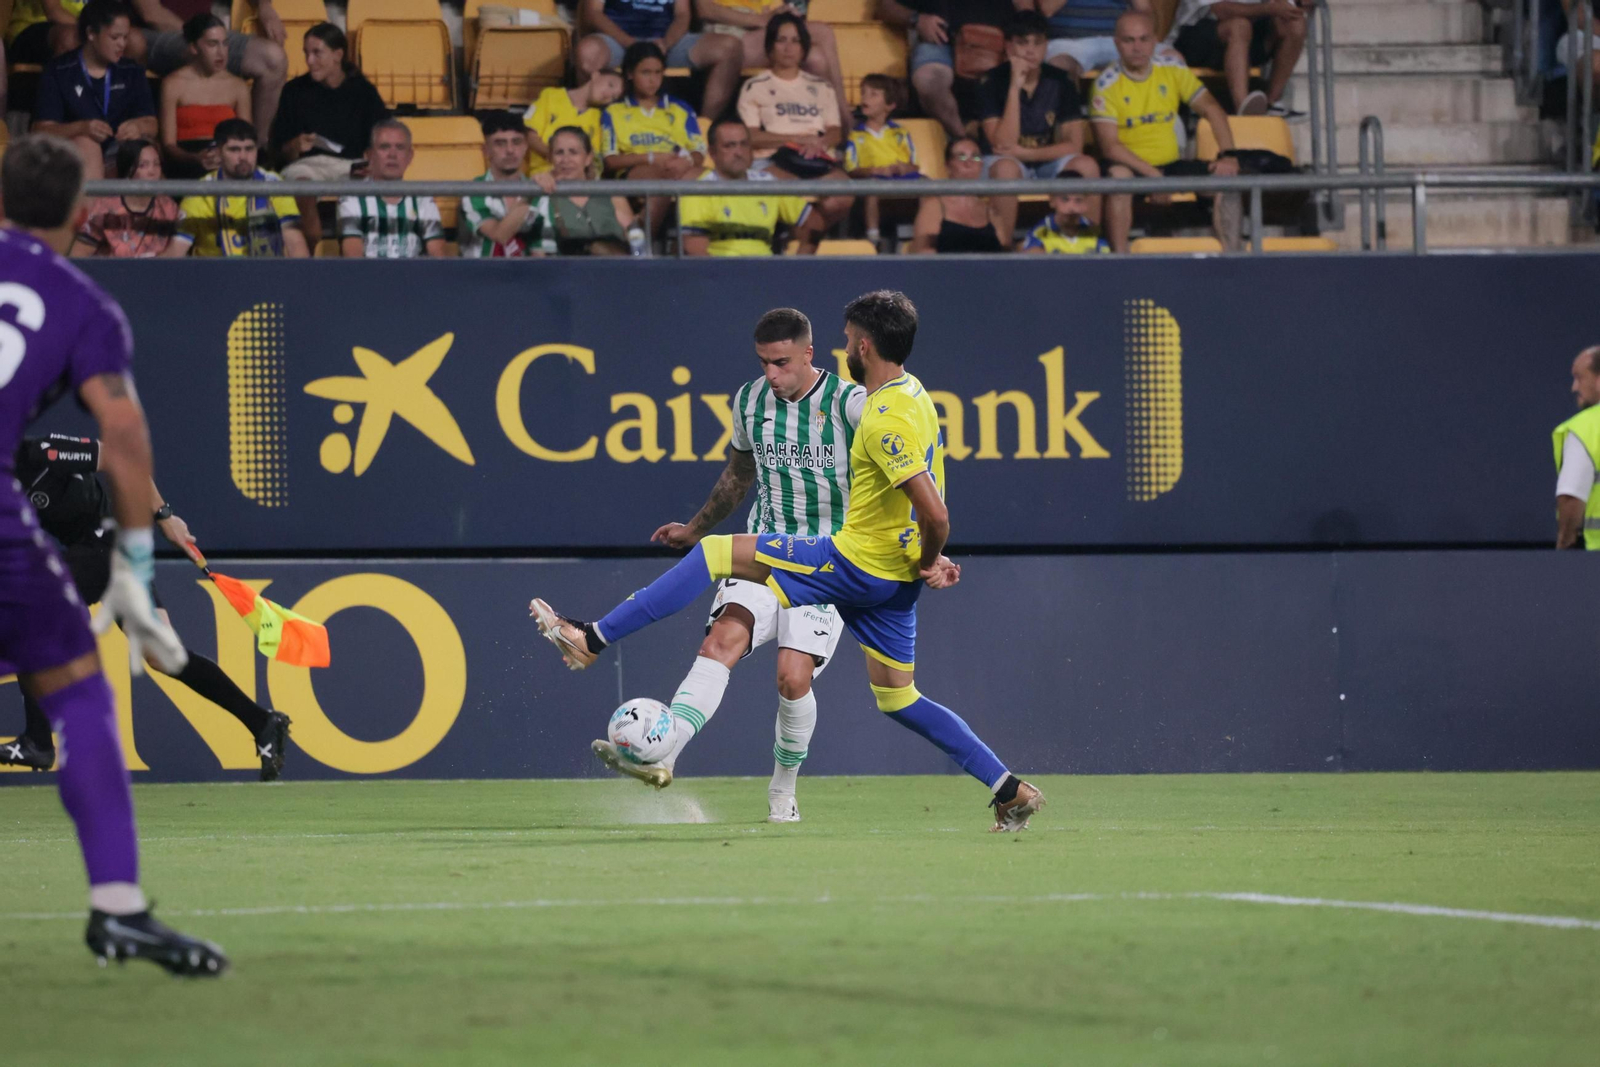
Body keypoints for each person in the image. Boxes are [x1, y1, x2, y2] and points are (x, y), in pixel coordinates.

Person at [531, 290, 1045, 833]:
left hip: (848, 561)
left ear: (854, 347)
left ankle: (590, 639)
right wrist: (924, 558)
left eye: (847, 340)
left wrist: (933, 552)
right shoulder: (913, 395)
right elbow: (924, 492)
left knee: (727, 576)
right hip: (891, 575)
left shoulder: (868, 414)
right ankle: (1010, 789)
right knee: (898, 698)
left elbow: (934, 512)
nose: (774, 373)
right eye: (765, 363)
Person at [0, 133, 227, 974]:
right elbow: (122, 437)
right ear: (76, 213)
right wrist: (135, 565)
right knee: (82, 702)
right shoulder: (83, 303)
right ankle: (119, 909)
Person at [593, 309, 864, 822]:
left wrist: (923, 548)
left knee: (791, 679)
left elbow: (897, 475)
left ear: (809, 354)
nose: (771, 374)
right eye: (763, 362)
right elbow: (740, 474)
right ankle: (666, 750)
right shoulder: (749, 400)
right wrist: (696, 529)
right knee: (722, 640)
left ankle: (783, 789)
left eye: (781, 362)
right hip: (761, 548)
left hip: (827, 561)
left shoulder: (851, 404)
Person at [0, 433, 293, 780]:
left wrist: (165, 516)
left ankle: (38, 742)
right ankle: (263, 722)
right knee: (163, 656)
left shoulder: (42, 451)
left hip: (106, 544)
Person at [1093, 11, 1241, 253]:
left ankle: (1233, 261)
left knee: (1228, 182)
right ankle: (1119, 262)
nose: (1137, 47)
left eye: (1143, 39)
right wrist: (1154, 178)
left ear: (1154, 42)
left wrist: (1228, 154)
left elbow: (1212, 109)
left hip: (1171, 165)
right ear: (1116, 43)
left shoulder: (1171, 70)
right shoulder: (1106, 84)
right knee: (1119, 178)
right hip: (1132, 168)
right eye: (1129, 40)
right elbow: (1111, 147)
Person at [978, 10, 1101, 239]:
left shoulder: (1060, 80)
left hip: (1044, 162)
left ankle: (1090, 245)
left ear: (1046, 45)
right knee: (1007, 169)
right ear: (1008, 47)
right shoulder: (991, 81)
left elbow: (1075, 145)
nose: (1031, 50)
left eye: (1038, 43)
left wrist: (1027, 153)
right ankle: (1002, 250)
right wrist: (1015, 86)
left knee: (1087, 165)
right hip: (1002, 163)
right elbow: (1003, 144)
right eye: (1022, 43)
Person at [736, 13, 850, 252]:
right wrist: (794, 140)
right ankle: (801, 248)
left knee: (844, 195)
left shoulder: (821, 87)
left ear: (804, 48)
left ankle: (797, 241)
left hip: (814, 159)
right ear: (770, 47)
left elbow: (835, 131)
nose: (789, 48)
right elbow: (750, 136)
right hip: (773, 159)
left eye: (796, 41)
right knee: (783, 193)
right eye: (782, 40)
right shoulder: (755, 86)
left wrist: (818, 143)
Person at [270, 23, 390, 249]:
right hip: (308, 166)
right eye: (306, 53)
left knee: (377, 182)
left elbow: (383, 135)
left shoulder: (363, 91)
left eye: (317, 53)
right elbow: (280, 151)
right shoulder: (293, 90)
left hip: (352, 165)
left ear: (338, 55)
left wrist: (373, 161)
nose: (309, 61)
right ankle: (311, 241)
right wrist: (295, 145)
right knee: (301, 184)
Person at [126, 0, 288, 143]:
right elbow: (152, 14)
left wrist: (264, 5)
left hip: (206, 31)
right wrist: (200, 37)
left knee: (273, 59)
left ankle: (256, 150)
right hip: (157, 33)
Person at [31, 1, 157, 181]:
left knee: (145, 150)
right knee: (87, 144)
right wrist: (81, 128)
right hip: (73, 159)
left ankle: (141, 209)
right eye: (115, 38)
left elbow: (151, 123)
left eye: (125, 37)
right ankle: (92, 209)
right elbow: (41, 130)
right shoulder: (59, 71)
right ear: (91, 33)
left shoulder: (131, 71)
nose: (122, 44)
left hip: (118, 154)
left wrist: (138, 127)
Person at [575, 0, 744, 125]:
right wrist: (629, 42)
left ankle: (705, 127)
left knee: (730, 47)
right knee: (587, 53)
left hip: (665, 40)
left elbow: (683, 15)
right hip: (618, 39)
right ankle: (590, 125)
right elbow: (594, 13)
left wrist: (666, 43)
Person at [601, 42, 706, 236]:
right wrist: (651, 158)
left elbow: (698, 150)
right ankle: (642, 245)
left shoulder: (680, 108)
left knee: (713, 180)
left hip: (679, 168)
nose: (653, 80)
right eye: (646, 72)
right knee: (662, 181)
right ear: (630, 74)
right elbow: (610, 161)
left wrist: (688, 162)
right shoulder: (613, 111)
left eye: (658, 72)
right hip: (636, 171)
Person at [695, 0, 851, 129]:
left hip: (756, 31)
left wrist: (784, 16)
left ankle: (825, 133)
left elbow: (769, 10)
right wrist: (760, 20)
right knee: (823, 32)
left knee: (816, 59)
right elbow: (705, 9)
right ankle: (846, 124)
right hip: (724, 32)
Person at [880, 0, 1021, 141]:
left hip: (996, 45)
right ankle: (964, 138)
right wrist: (917, 19)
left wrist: (1013, 45)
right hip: (940, 42)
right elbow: (885, 7)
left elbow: (1027, 15)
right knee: (928, 79)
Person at [679, 118, 818, 256]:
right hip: (722, 272)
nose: (739, 153)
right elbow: (695, 250)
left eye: (744, 144)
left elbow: (814, 223)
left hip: (765, 271)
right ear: (712, 153)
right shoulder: (699, 190)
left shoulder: (767, 184)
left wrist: (796, 268)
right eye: (729, 146)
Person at [175, 117, 309, 258]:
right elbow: (176, 251)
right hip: (214, 276)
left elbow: (295, 242)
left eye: (249, 149)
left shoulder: (274, 185)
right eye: (234, 150)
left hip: (263, 274)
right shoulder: (201, 192)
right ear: (219, 152)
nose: (243, 157)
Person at [1167, 0, 1310, 120]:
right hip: (1196, 38)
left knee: (1295, 23)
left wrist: (1297, 4)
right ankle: (1243, 107)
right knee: (1239, 25)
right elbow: (1220, 10)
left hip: (1248, 35)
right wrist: (1268, 8)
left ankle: (1272, 103)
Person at [158, 13, 250, 179]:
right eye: (212, 44)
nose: (221, 52)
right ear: (194, 47)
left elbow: (246, 139)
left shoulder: (238, 86)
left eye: (225, 44)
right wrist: (194, 158)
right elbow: (168, 145)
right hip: (186, 161)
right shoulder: (173, 83)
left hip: (226, 160)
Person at [338, 120, 445, 259]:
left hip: (414, 279)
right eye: (384, 147)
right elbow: (352, 258)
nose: (392, 154)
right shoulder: (352, 197)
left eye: (400, 147)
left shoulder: (423, 199)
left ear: (410, 156)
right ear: (369, 155)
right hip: (367, 279)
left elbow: (439, 256)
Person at [461, 111, 556, 258]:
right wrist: (530, 195)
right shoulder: (473, 191)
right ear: (486, 150)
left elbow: (540, 252)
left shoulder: (540, 189)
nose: (510, 150)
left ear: (525, 147)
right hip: (481, 276)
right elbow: (499, 235)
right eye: (500, 143)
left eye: (516, 142)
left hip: (526, 276)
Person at [69, 139, 186, 257]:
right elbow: (78, 256)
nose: (153, 172)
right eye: (143, 165)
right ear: (128, 171)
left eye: (157, 164)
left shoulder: (168, 208)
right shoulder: (105, 207)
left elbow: (174, 257)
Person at [844, 73, 922, 246]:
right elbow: (851, 169)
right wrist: (876, 171)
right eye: (863, 93)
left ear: (889, 105)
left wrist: (904, 168)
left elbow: (915, 165)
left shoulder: (900, 133)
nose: (865, 98)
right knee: (873, 186)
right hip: (874, 180)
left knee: (929, 186)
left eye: (873, 94)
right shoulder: (856, 135)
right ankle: (873, 238)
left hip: (901, 179)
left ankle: (924, 235)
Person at [547, 126, 639, 256]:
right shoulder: (543, 196)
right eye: (559, 153)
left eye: (573, 152)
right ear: (550, 158)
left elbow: (634, 245)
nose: (565, 160)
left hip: (612, 271)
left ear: (588, 158)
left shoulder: (612, 195)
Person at [909, 137, 1007, 253]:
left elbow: (1004, 257)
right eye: (961, 157)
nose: (969, 163)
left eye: (975, 156)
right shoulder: (934, 207)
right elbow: (924, 255)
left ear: (981, 165)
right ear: (948, 166)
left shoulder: (991, 213)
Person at [525, 68, 625, 176]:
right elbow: (531, 136)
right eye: (610, 85)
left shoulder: (601, 118)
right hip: (541, 176)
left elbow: (592, 159)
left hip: (576, 181)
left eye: (613, 97)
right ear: (595, 75)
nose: (608, 95)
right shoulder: (550, 95)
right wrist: (557, 159)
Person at [1554, 346, 1600, 550]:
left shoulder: (1586, 428)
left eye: (1579, 378)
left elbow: (1571, 498)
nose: (1574, 387)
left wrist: (1565, 546)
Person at [1041, 0, 1159, 77]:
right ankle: (1071, 114)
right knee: (1058, 67)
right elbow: (1047, 9)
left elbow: (1146, 13)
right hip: (1070, 43)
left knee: (1171, 58)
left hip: (1120, 40)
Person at [1022, 177, 1111, 252]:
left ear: (1085, 204)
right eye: (1065, 199)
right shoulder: (1040, 232)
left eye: (1078, 201)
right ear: (1052, 200)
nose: (1071, 207)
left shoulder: (1094, 232)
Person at [5, 0, 84, 64]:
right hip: (29, 30)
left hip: (77, 32)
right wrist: (89, 32)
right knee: (70, 38)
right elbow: (54, 11)